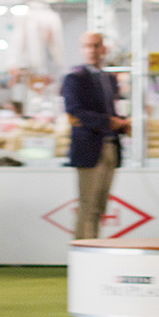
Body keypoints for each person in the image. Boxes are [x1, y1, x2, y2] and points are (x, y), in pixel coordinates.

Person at [61, 32, 130, 240]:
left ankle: (94, 249)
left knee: (100, 206)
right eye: (86, 46)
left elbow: (111, 109)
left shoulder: (109, 78)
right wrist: (109, 122)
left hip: (110, 146)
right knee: (88, 205)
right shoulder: (74, 78)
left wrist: (122, 123)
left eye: (95, 46)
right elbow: (75, 112)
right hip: (89, 149)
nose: (91, 50)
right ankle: (83, 252)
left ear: (104, 49)